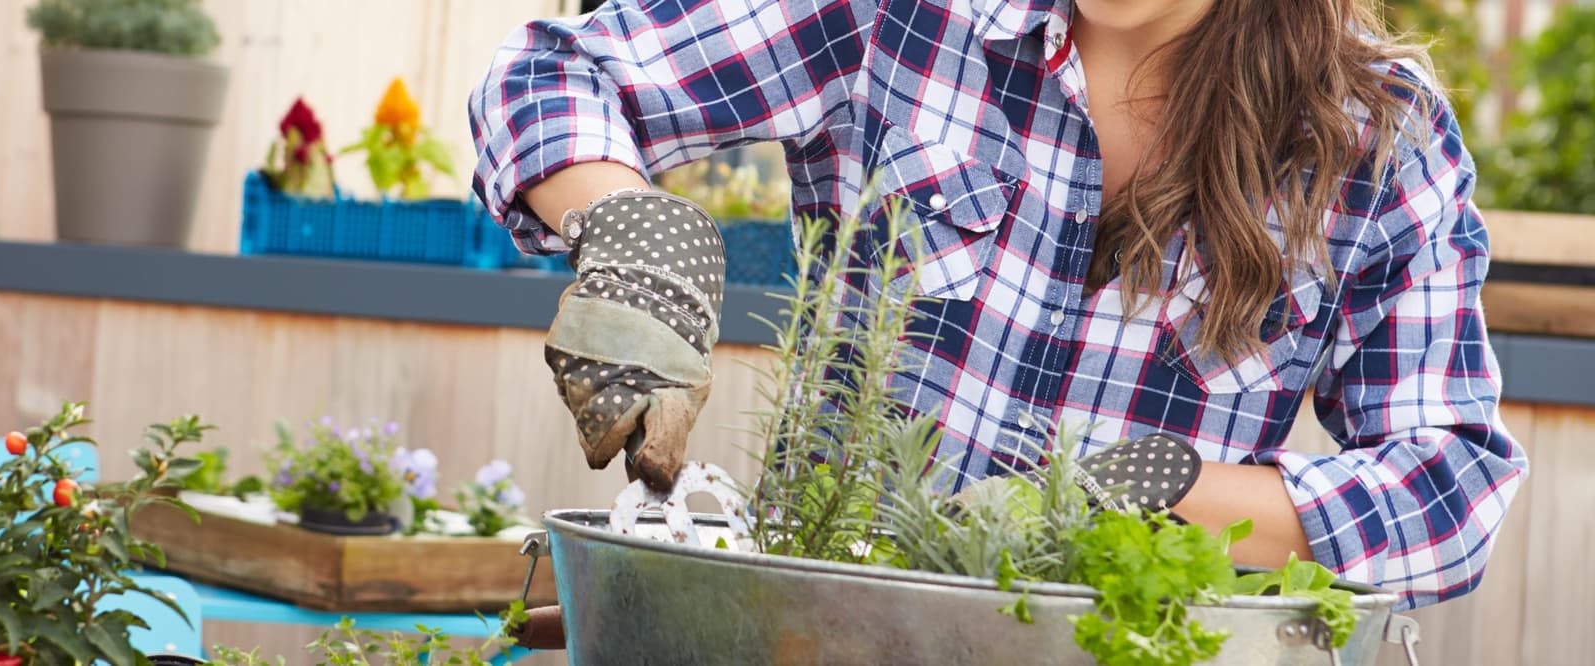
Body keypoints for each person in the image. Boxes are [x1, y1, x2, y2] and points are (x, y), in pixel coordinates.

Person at [466, 0, 1527, 610]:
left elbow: (1448, 493)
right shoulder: (899, 18)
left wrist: (1139, 490)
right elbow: (550, 71)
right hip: (822, 631)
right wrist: (630, 229)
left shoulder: (1373, 142)